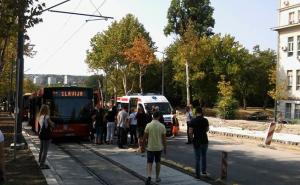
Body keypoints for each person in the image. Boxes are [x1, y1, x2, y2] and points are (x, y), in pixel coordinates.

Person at [143, 111, 167, 185]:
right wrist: (165, 148)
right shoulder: (162, 126)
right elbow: (164, 139)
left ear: (152, 116)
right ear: (159, 117)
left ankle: (149, 176)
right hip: (159, 147)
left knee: (149, 162)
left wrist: (143, 145)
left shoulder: (148, 125)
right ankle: (157, 177)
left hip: (150, 147)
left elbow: (144, 137)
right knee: (158, 162)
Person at [189, 107, 209, 179]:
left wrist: (191, 139)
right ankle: (204, 172)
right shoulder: (205, 120)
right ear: (202, 112)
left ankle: (197, 175)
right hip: (204, 141)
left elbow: (190, 132)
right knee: (204, 156)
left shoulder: (192, 121)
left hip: (197, 141)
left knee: (197, 158)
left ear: (196, 112)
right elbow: (207, 129)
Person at [38, 104, 55, 169]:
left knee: (41, 149)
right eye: (48, 109)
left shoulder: (40, 116)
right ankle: (42, 164)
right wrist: (53, 124)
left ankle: (40, 161)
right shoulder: (47, 117)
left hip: (41, 134)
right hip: (46, 135)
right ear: (46, 110)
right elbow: (52, 125)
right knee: (45, 150)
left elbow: (42, 126)